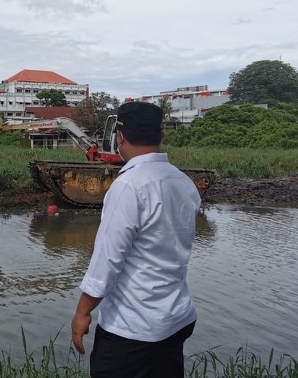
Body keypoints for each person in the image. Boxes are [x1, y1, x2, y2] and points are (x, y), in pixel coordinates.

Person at [71, 101, 201, 378]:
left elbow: (107, 260)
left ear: (119, 137)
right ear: (161, 135)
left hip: (132, 329)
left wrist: (83, 312)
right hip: (176, 319)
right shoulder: (183, 182)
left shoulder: (129, 185)